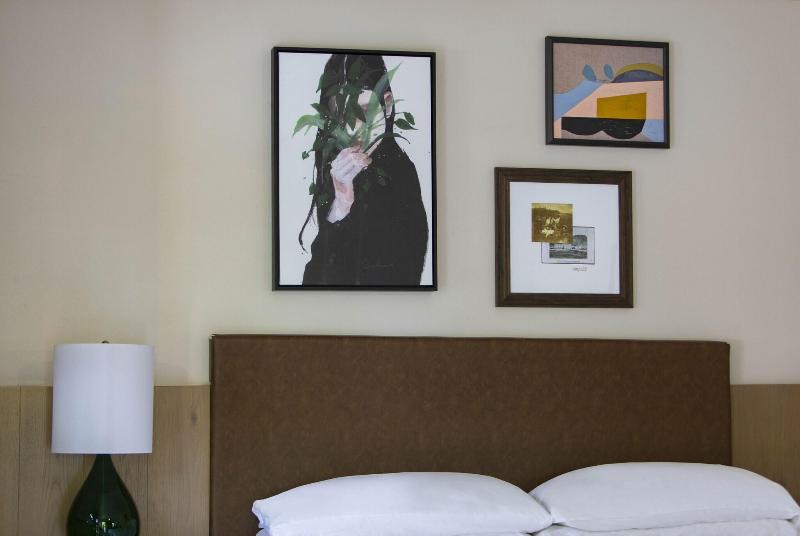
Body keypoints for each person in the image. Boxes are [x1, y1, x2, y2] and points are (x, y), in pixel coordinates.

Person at [301, 54, 429, 286]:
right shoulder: (336, 167)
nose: (351, 129)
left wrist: (341, 211)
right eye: (340, 116)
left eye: (363, 111)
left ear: (387, 105)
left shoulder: (399, 177)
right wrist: (340, 206)